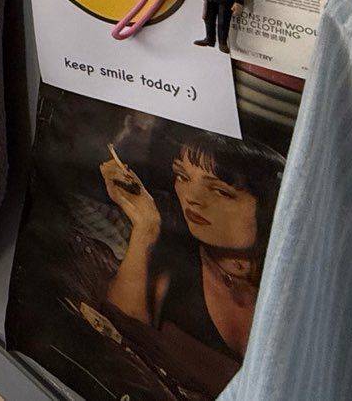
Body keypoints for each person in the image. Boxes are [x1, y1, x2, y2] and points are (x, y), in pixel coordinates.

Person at [99, 133, 284, 363]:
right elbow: (117, 339)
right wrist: (146, 227)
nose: (192, 198)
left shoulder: (299, 278)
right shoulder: (171, 261)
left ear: (273, 204)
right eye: (183, 176)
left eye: (221, 190)